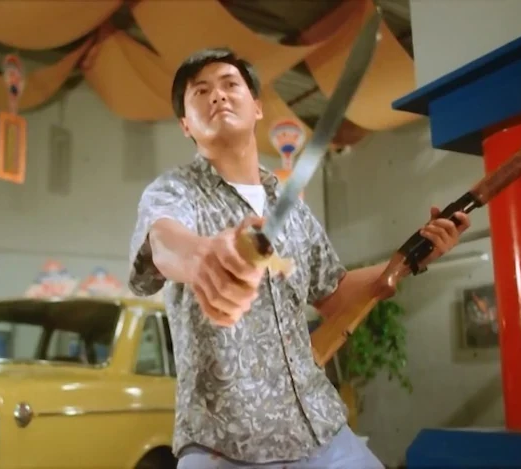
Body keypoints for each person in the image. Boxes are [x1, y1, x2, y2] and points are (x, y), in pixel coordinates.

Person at [127, 48, 471, 469]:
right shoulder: (174, 191)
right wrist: (203, 259)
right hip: (226, 444)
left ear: (257, 107)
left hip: (321, 429)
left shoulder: (292, 208)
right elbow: (164, 242)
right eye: (200, 91)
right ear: (185, 124)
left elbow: (334, 293)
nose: (217, 95)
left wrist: (416, 254)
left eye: (230, 84)